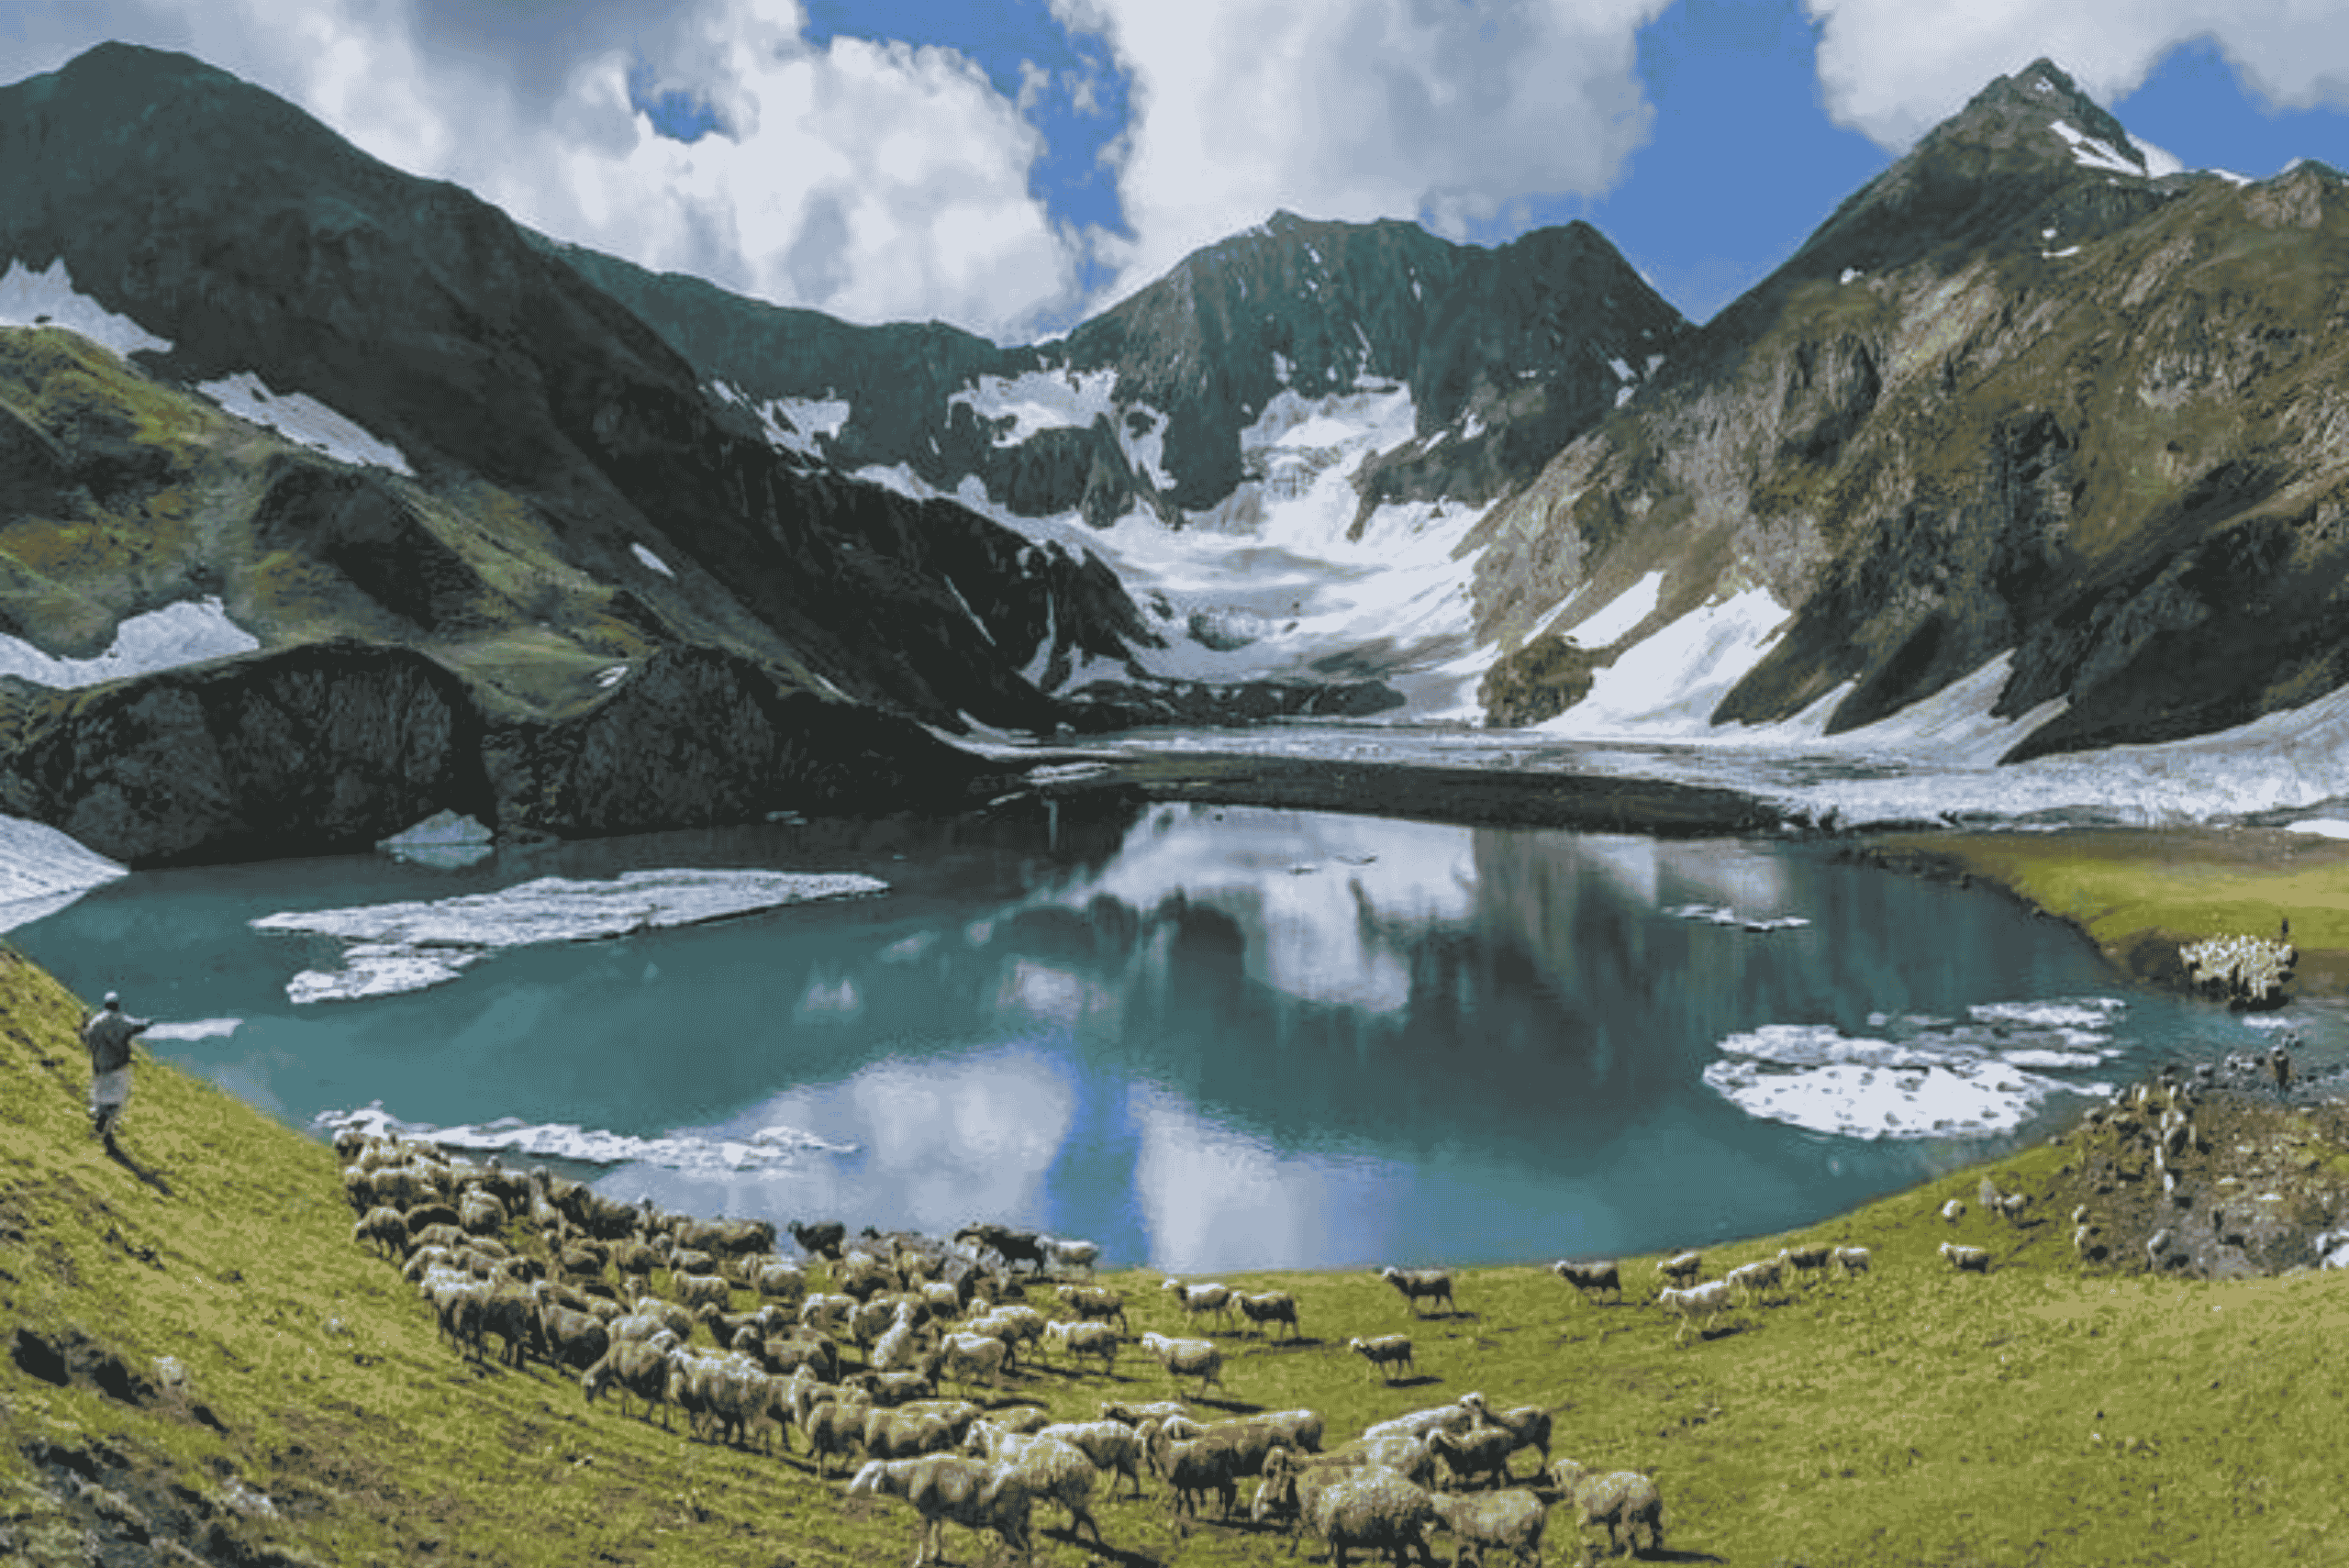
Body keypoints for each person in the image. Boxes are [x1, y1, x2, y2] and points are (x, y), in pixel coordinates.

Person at [83, 992, 151, 1145]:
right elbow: (137, 1027)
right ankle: (108, 1131)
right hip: (119, 1067)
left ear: (105, 1004)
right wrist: (148, 1023)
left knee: (100, 1096)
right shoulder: (123, 1020)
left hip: (100, 1067)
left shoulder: (97, 1021)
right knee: (117, 1100)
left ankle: (100, 1116)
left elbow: (87, 1037)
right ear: (117, 1005)